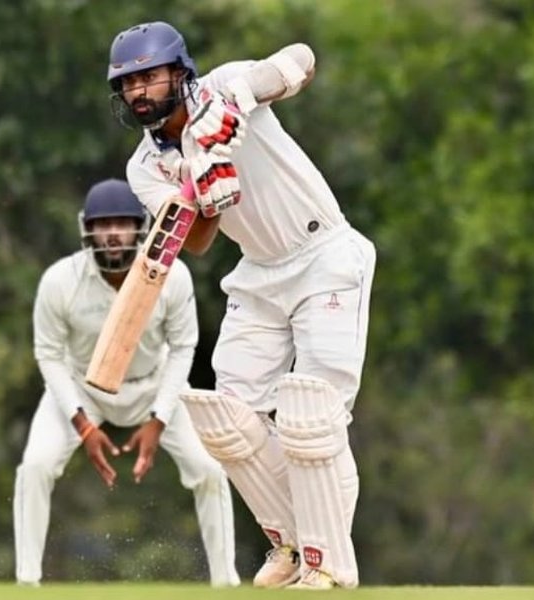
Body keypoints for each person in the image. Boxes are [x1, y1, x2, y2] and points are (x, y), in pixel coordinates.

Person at [105, 21, 376, 590]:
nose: (139, 92)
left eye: (149, 77)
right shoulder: (145, 167)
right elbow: (196, 242)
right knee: (227, 419)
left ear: (180, 72)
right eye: (128, 84)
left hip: (324, 252)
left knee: (313, 414)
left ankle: (327, 563)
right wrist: (200, 184)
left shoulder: (226, 86)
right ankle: (291, 541)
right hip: (257, 274)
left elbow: (300, 60)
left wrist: (241, 104)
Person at [13, 178, 240, 587]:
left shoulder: (174, 276)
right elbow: (49, 355)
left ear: (142, 227)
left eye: (122, 222)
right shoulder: (59, 281)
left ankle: (226, 584)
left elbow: (183, 348)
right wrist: (83, 426)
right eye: (104, 224)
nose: (113, 232)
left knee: (209, 469)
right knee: (35, 466)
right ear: (88, 228)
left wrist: (159, 420)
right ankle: (28, 582)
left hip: (154, 383)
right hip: (83, 388)